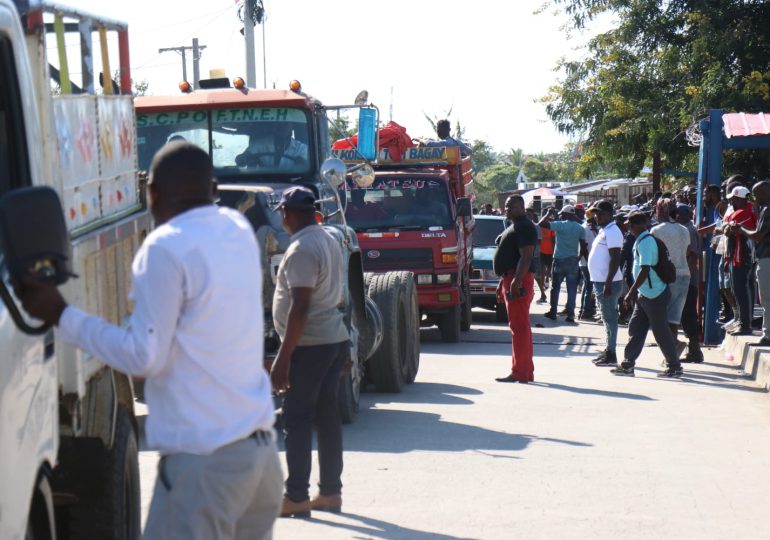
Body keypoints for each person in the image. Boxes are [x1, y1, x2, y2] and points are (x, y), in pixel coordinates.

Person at [18, 142, 283, 540]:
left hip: (205, 467)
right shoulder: (236, 230)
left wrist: (62, 315)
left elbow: (145, 357)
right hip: (260, 462)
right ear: (213, 188)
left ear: (152, 193)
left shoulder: (164, 247)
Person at [271, 186, 350, 517]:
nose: (282, 219)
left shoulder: (302, 248)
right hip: (332, 338)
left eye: (282, 213)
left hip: (310, 345)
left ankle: (297, 496)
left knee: (297, 418)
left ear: (288, 213)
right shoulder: (328, 239)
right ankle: (330, 493)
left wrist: (283, 358)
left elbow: (300, 306)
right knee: (328, 417)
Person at [611, 211, 684, 378]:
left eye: (630, 225)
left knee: (660, 332)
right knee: (636, 328)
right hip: (646, 293)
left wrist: (630, 292)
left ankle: (674, 366)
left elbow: (645, 269)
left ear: (638, 225)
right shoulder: (642, 240)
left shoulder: (646, 242)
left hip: (654, 293)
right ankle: (628, 364)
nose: (629, 228)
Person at [493, 195, 537, 383]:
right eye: (506, 206)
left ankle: (520, 372)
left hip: (518, 279)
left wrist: (516, 281)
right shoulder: (516, 226)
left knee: (519, 328)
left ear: (521, 207)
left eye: (511, 206)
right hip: (511, 278)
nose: (507, 209)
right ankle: (524, 370)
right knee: (520, 327)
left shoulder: (525, 226)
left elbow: (526, 257)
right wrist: (501, 283)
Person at [731, 181, 770, 345]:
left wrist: (742, 230)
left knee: (766, 299)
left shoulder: (767, 209)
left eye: (756, 193)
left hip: (767, 257)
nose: (754, 198)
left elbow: (759, 235)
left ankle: (767, 335)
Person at [650, 198, 692, 348]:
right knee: (674, 317)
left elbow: (653, 254)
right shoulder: (684, 229)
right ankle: (672, 349)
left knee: (661, 318)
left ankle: (672, 347)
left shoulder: (656, 230)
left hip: (666, 277)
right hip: (684, 275)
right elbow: (687, 251)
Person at [588, 201, 625, 367]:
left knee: (610, 319)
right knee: (606, 318)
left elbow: (616, 258)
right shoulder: (605, 230)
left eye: (601, 213)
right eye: (596, 213)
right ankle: (608, 350)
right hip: (601, 282)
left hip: (608, 283)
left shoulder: (613, 231)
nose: (597, 216)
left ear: (610, 214)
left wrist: (608, 283)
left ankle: (611, 354)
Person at [539, 205, 587, 323]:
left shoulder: (559, 225)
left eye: (562, 214)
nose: (560, 215)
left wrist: (548, 213)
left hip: (559, 260)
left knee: (555, 288)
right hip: (573, 261)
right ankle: (570, 314)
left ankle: (553, 312)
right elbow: (583, 246)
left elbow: (541, 223)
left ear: (566, 214)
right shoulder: (580, 228)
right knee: (572, 288)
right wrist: (578, 258)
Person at [721, 185, 757, 335]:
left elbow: (727, 230)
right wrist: (726, 226)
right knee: (745, 289)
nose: (731, 203)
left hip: (742, 256)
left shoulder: (743, 212)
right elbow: (726, 226)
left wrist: (726, 226)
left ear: (738, 199)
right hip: (745, 256)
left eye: (733, 199)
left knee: (740, 289)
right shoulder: (750, 210)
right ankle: (744, 322)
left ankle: (745, 324)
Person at [676, 204, 704, 362]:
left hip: (688, 280)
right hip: (685, 278)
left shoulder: (689, 230)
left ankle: (695, 351)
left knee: (688, 315)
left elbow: (693, 256)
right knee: (685, 316)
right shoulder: (683, 229)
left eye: (679, 214)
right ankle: (693, 350)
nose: (677, 217)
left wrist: (686, 276)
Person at [578, 207, 598, 320]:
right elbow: (583, 248)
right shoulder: (585, 228)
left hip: (589, 262)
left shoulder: (592, 228)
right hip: (587, 262)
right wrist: (590, 261)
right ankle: (586, 311)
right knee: (589, 287)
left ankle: (586, 310)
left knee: (588, 286)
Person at [527, 206, 547, 302]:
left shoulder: (536, 226)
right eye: (527, 213)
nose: (528, 215)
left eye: (530, 214)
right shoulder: (522, 225)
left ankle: (543, 294)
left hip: (535, 255)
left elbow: (539, 241)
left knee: (537, 277)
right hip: (525, 256)